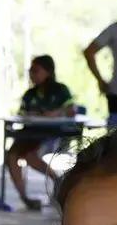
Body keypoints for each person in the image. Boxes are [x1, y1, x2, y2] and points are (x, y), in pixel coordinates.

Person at [6, 56, 73, 211]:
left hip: (51, 133)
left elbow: (72, 109)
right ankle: (24, 197)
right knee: (12, 156)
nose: (32, 74)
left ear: (48, 72)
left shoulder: (61, 90)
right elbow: (21, 114)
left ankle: (57, 179)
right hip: (29, 132)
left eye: (36, 71)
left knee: (30, 157)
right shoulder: (29, 94)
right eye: (30, 71)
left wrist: (55, 113)